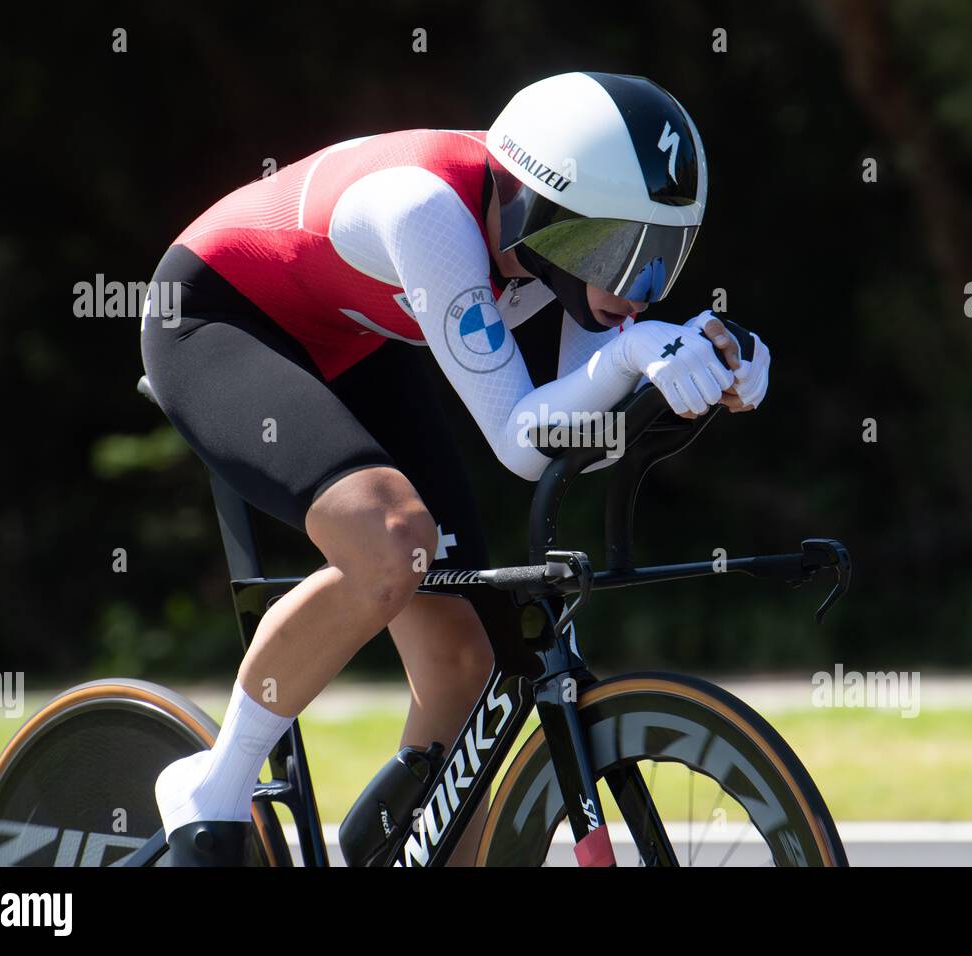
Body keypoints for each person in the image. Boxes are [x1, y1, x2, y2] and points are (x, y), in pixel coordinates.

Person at [139, 71, 772, 866]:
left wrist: (704, 370)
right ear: (543, 209)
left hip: (355, 333)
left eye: (661, 259)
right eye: (618, 248)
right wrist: (639, 356)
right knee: (391, 541)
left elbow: (577, 433)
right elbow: (518, 438)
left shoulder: (555, 256)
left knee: (473, 662)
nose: (635, 289)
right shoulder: (429, 214)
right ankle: (214, 786)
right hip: (220, 316)